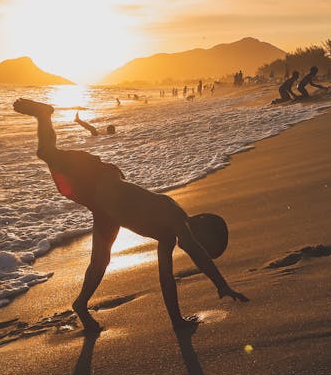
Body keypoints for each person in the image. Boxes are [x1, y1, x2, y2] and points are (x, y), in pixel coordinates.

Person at [14, 98, 249, 334]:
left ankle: (81, 305)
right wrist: (221, 284)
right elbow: (194, 249)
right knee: (46, 152)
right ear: (200, 224)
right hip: (97, 177)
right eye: (204, 245)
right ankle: (44, 114)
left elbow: (166, 278)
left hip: (105, 209)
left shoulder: (167, 237)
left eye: (205, 250)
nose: (194, 250)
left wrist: (177, 320)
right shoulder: (174, 212)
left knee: (100, 262)